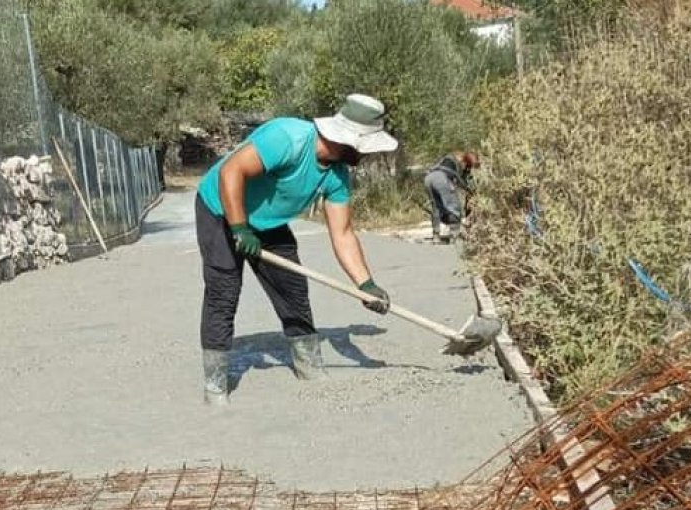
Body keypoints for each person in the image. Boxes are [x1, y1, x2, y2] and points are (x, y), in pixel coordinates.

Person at [195, 94, 398, 405]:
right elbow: (230, 172)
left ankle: (309, 367)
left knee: (293, 291)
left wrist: (365, 284)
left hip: (268, 221)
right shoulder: (288, 138)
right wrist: (239, 228)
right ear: (351, 141)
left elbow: (342, 234)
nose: (368, 156)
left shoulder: (337, 177)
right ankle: (215, 386)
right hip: (221, 210)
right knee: (224, 292)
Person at [423, 151, 480, 243]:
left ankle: (436, 236)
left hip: (429, 178)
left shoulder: (448, 158)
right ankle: (454, 236)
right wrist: (469, 190)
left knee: (436, 208)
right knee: (454, 207)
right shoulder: (458, 162)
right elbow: (459, 180)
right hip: (440, 179)